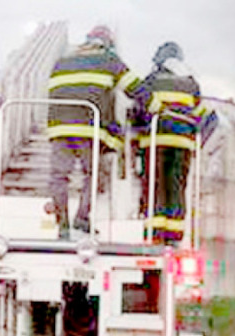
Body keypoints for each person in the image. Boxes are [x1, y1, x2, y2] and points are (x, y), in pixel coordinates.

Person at [46, 25, 143, 239]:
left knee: (59, 176)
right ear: (108, 44)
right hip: (89, 126)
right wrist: (156, 107)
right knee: (93, 174)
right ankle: (81, 219)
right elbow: (135, 88)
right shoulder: (109, 61)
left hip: (59, 127)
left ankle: (62, 225)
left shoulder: (62, 62)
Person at [135, 42, 214, 246]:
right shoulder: (191, 84)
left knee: (155, 187)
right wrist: (198, 142)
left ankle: (155, 234)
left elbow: (138, 112)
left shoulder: (151, 82)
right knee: (177, 188)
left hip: (155, 142)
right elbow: (207, 117)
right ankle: (174, 238)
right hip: (183, 146)